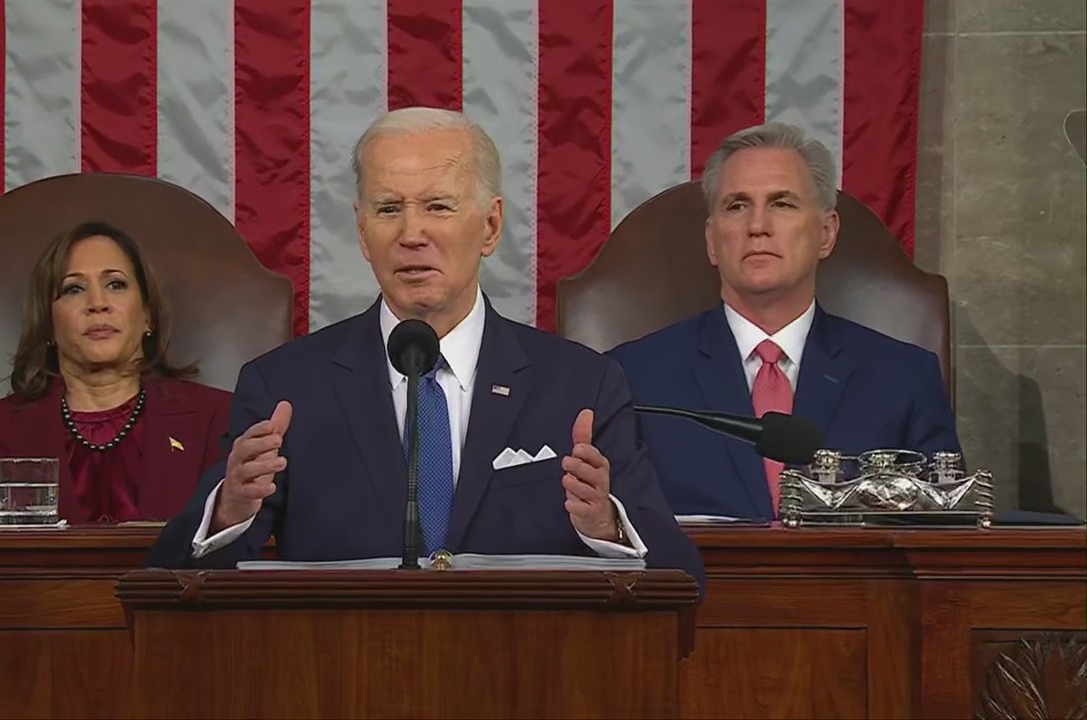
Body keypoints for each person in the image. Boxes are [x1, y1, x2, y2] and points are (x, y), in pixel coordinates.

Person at [146, 107, 704, 591]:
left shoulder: (580, 385)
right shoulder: (285, 387)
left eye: (438, 206)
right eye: (388, 209)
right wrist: (229, 511)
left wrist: (607, 528)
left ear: (490, 226)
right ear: (363, 233)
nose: (411, 233)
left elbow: (684, 581)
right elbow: (170, 582)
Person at [610, 123, 962, 521]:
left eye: (781, 204)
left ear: (826, 233)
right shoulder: (633, 377)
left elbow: (943, 529)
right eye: (737, 206)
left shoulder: (904, 378)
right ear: (711, 241)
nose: (757, 226)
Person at [0, 222, 234, 524]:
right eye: (73, 289)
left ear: (147, 315)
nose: (97, 303)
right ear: (48, 325)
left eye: (116, 284)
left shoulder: (220, 422)